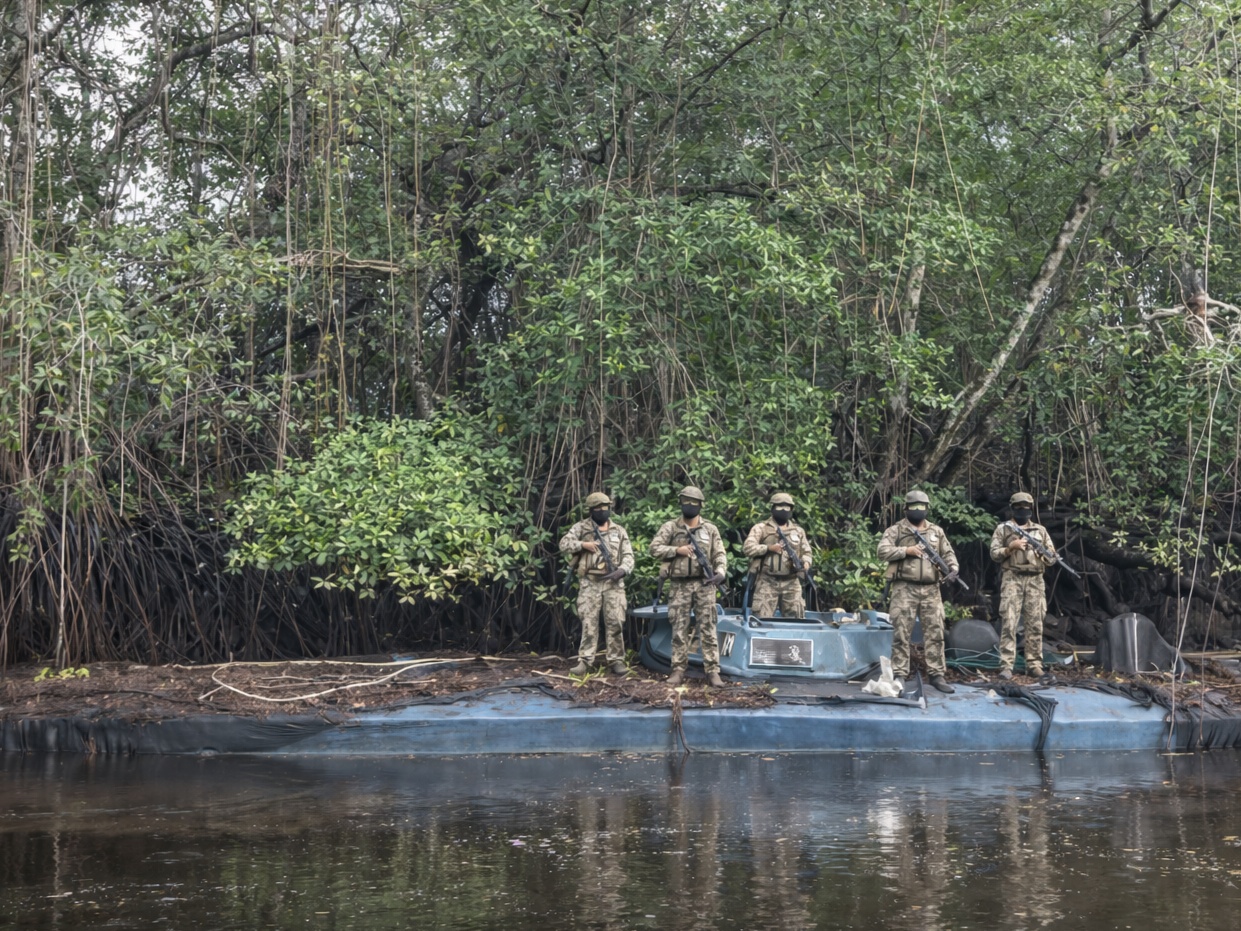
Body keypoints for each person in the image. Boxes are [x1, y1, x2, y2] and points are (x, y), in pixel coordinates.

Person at [877, 489, 960, 694]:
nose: (917, 510)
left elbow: (948, 553)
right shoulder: (897, 530)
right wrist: (907, 551)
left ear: (927, 509)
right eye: (913, 507)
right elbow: (882, 551)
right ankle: (900, 674)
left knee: (935, 632)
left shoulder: (936, 532)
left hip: (931, 589)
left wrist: (953, 567)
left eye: (921, 507)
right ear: (905, 508)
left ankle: (936, 674)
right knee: (901, 633)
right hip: (904, 588)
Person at [650, 485, 728, 687]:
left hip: (705, 584)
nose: (690, 506)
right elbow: (654, 549)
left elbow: (719, 553)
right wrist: (678, 550)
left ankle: (712, 672)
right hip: (679, 585)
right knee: (678, 628)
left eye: (694, 503)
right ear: (680, 503)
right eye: (686, 501)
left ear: (701, 505)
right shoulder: (671, 527)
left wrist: (720, 572)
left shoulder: (710, 529)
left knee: (709, 628)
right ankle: (677, 669)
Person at [559, 491, 635, 675]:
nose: (602, 511)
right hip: (590, 582)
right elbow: (564, 544)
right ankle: (585, 661)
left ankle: (616, 660)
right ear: (591, 510)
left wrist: (623, 570)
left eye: (605, 507)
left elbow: (629, 556)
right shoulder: (581, 528)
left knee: (616, 622)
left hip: (614, 584)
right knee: (588, 622)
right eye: (598, 508)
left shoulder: (619, 531)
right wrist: (583, 545)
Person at [990, 491, 1056, 680]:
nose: (1022, 510)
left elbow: (1051, 559)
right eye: (1018, 507)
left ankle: (1034, 664)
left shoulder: (1040, 531)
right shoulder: (1003, 529)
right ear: (1012, 508)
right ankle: (1006, 665)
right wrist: (1012, 547)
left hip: (1035, 579)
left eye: (1026, 507)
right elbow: (994, 554)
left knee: (1035, 622)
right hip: (1012, 577)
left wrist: (1040, 551)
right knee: (1009, 622)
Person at [742, 492, 812, 618]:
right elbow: (748, 548)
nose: (784, 510)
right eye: (780, 507)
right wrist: (768, 548)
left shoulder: (798, 531)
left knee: (796, 621)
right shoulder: (761, 528)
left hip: (792, 582)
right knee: (761, 620)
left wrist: (805, 563)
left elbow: (807, 552)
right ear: (773, 508)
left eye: (787, 507)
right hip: (767, 581)